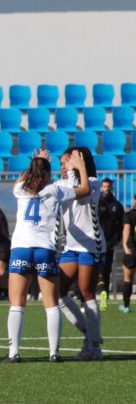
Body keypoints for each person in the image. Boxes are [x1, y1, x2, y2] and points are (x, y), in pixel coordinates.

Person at [5, 149, 90, 363]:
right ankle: (54, 353)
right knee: (51, 303)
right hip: (45, 250)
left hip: (22, 248)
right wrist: (75, 168)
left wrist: (35, 161)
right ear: (49, 173)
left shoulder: (20, 189)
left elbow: (22, 179)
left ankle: (13, 353)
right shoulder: (56, 189)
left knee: (17, 303)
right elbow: (84, 189)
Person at [57, 147, 104, 361]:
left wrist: (81, 169)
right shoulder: (62, 184)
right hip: (70, 246)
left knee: (86, 291)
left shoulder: (93, 182)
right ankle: (91, 335)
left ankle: (95, 348)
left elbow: (84, 196)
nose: (63, 167)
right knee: (58, 293)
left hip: (90, 245)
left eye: (66, 162)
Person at [96, 177, 124, 310]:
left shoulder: (116, 205)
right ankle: (84, 297)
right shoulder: (97, 202)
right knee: (93, 269)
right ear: (101, 187)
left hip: (109, 243)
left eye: (108, 186)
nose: (106, 188)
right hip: (96, 242)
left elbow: (121, 223)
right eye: (104, 186)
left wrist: (117, 239)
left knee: (106, 270)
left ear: (112, 187)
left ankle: (104, 297)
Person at [120, 194, 136, 314]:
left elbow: (128, 229)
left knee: (128, 278)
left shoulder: (129, 215)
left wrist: (125, 244)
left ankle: (126, 306)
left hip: (131, 250)